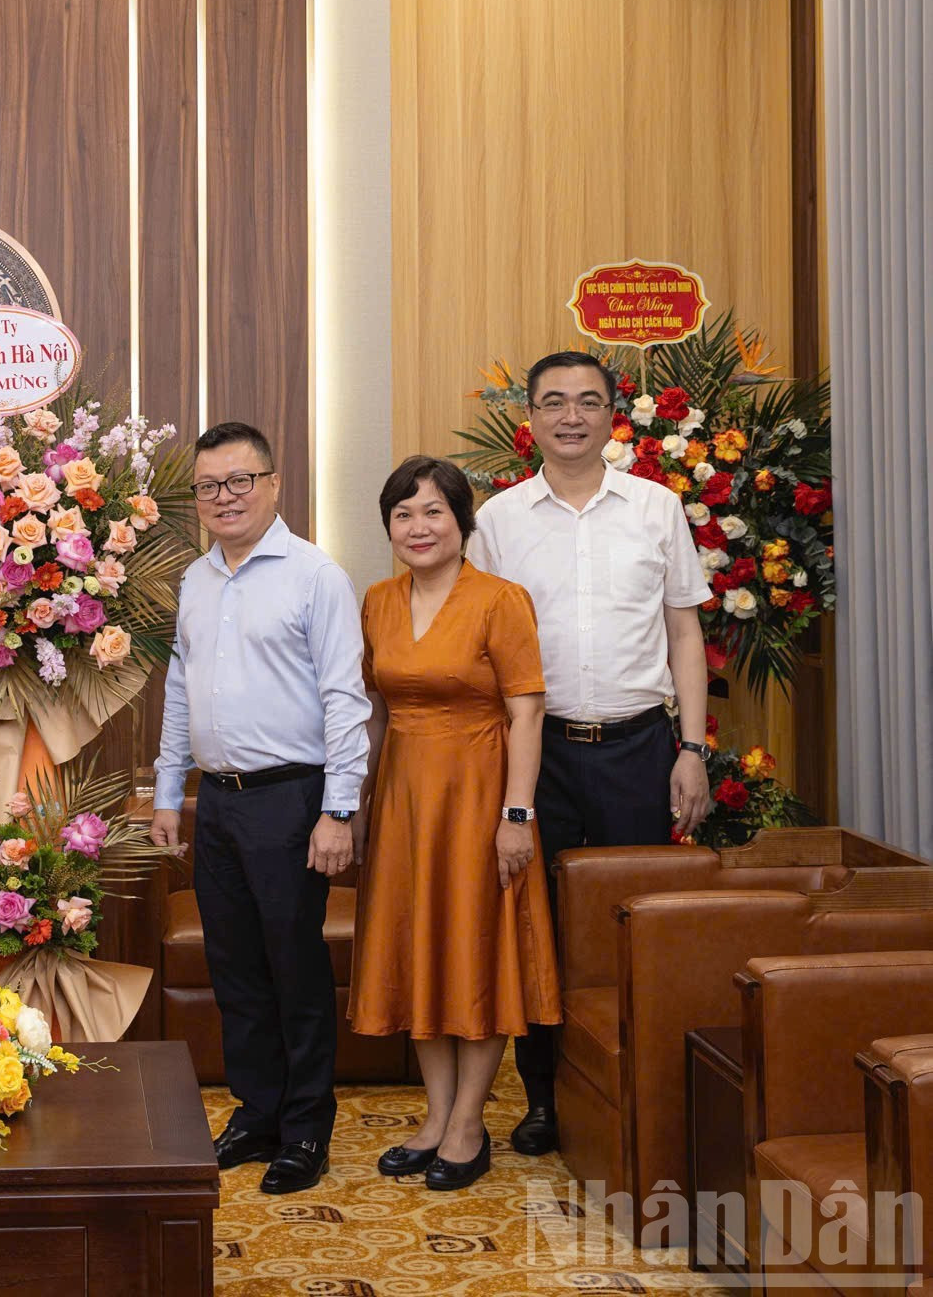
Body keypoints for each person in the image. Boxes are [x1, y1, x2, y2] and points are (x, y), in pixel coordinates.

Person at [466, 351, 715, 1156]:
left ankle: (641, 1092)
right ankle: (544, 1097)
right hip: (538, 754)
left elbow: (684, 633)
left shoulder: (656, 507)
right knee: (538, 927)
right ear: (530, 419)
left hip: (639, 747)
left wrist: (691, 749)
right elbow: (480, 646)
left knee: (635, 924)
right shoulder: (499, 521)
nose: (570, 416)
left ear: (612, 413)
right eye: (553, 402)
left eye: (586, 401)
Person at [149, 421, 370, 1195]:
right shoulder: (196, 579)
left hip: (291, 799)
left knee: (294, 968)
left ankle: (306, 1129)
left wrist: (338, 809)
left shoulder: (316, 576)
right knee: (235, 968)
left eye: (240, 481)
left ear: (274, 485)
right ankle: (257, 1112)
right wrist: (169, 793)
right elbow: (180, 692)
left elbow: (345, 697)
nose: (225, 497)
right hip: (216, 801)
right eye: (209, 486)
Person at [347, 456, 561, 1191]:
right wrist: (360, 805)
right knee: (420, 950)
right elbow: (375, 714)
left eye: (433, 511)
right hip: (404, 798)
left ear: (462, 522)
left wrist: (516, 815)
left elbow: (527, 713)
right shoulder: (378, 601)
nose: (419, 527)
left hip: (479, 792)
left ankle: (470, 1123)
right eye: (403, 514)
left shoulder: (500, 600)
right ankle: (436, 1117)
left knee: (476, 948)